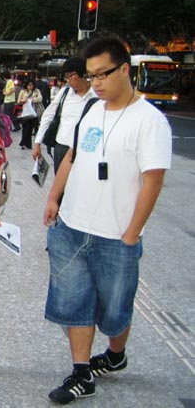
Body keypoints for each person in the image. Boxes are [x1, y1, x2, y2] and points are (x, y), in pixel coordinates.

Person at [42, 37, 171, 404]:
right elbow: (71, 157)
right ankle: (81, 372)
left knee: (116, 311)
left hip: (116, 236)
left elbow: (153, 181)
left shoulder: (150, 121)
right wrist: (54, 198)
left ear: (124, 69)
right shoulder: (91, 111)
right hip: (71, 227)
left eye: (102, 74)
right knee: (73, 302)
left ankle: (115, 355)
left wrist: (131, 234)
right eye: (91, 75)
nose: (95, 82)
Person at [33, 57, 97, 174]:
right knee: (61, 183)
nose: (68, 80)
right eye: (66, 77)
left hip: (85, 151)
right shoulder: (65, 93)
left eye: (71, 76)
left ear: (83, 74)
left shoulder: (96, 96)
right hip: (62, 148)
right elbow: (48, 116)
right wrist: (37, 143)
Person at [16, 80, 43, 150]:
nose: (30, 86)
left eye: (31, 85)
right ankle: (23, 143)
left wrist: (31, 99)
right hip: (25, 112)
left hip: (33, 112)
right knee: (25, 128)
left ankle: (28, 144)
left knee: (30, 129)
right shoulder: (23, 91)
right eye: (29, 85)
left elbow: (40, 98)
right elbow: (18, 101)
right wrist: (23, 100)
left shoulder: (36, 91)